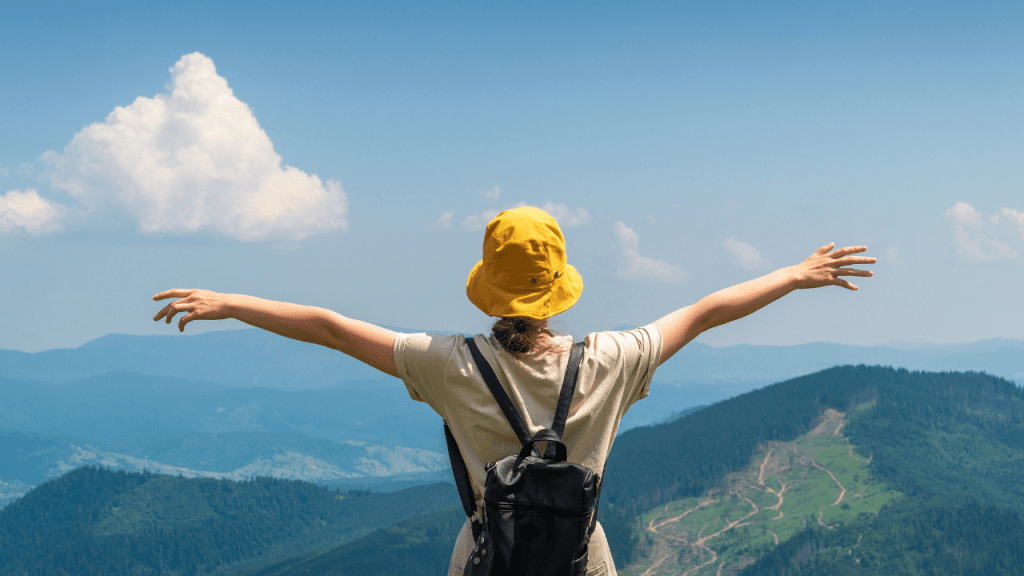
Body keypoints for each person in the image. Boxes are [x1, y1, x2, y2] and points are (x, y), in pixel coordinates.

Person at [152, 205, 874, 575]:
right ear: (558, 287)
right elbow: (709, 309)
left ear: (488, 289)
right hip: (581, 563)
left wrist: (232, 301)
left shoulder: (449, 364)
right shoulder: (612, 360)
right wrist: (795, 273)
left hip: (483, 564)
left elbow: (333, 328)